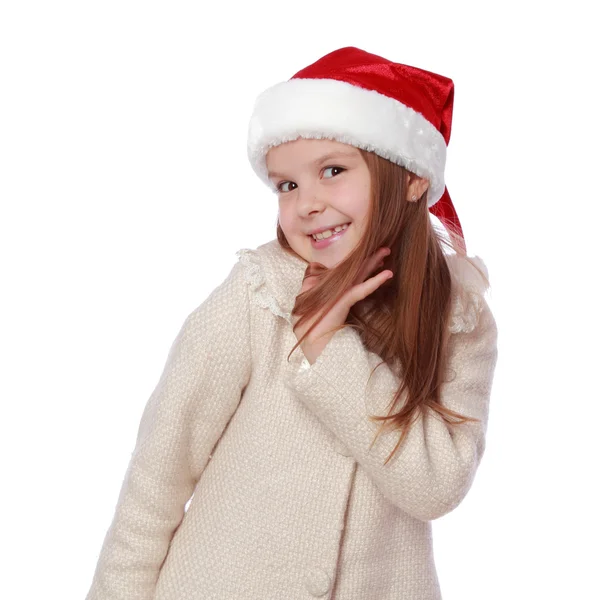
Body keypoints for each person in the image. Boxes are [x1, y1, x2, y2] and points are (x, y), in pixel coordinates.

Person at [85, 46, 499, 600]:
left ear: (412, 178)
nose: (306, 204)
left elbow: (435, 488)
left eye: (333, 171)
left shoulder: (460, 319)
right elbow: (160, 474)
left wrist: (330, 352)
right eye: (287, 185)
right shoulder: (260, 294)